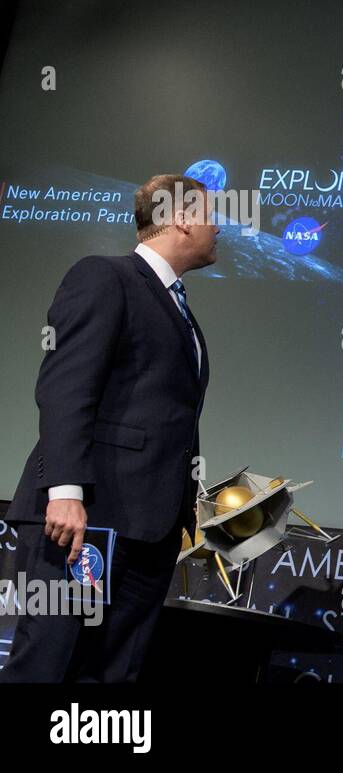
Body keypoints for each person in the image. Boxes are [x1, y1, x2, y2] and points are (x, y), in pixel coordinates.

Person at [1, 174, 217, 681]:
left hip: (148, 528)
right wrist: (66, 490)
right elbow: (65, 387)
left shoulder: (179, 307)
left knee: (114, 674)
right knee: (49, 665)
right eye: (213, 216)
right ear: (181, 219)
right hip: (86, 521)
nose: (220, 229)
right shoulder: (104, 277)